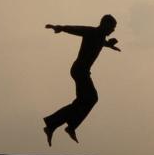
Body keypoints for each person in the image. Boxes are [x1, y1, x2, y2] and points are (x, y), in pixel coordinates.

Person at [42, 14, 119, 145]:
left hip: (82, 72)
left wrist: (109, 45)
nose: (113, 30)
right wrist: (59, 27)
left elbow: (100, 42)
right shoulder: (92, 32)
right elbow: (76, 29)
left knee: (82, 101)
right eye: (112, 27)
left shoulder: (100, 37)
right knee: (91, 98)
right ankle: (66, 126)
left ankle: (52, 124)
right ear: (105, 25)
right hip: (79, 71)